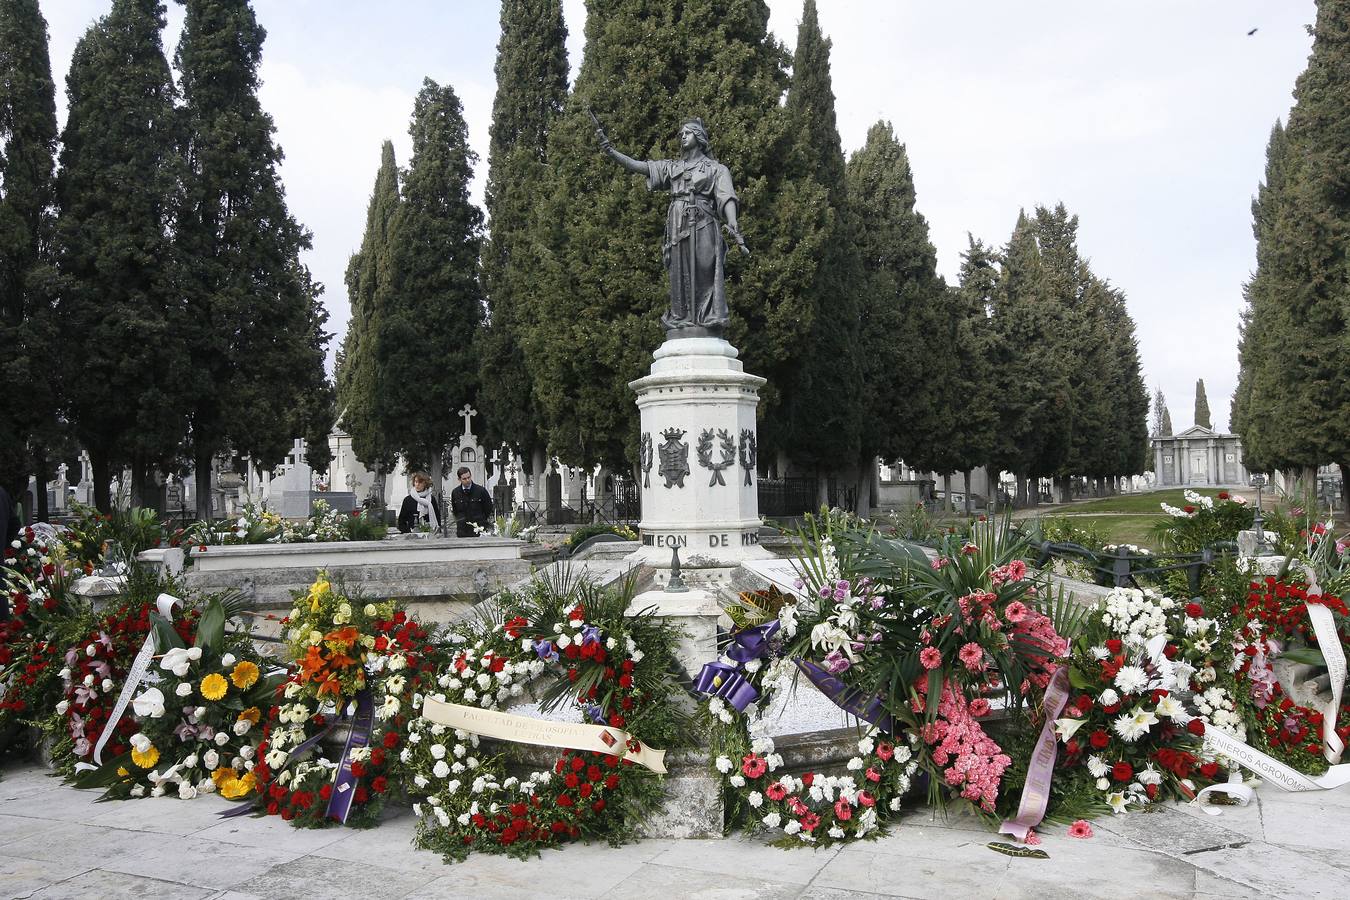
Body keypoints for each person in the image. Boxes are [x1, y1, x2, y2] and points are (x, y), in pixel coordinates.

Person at [597, 116, 748, 337]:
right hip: (678, 223)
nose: (682, 137)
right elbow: (642, 167)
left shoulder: (716, 169)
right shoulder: (673, 166)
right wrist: (611, 152)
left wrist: (732, 222)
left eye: (687, 133)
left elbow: (727, 197)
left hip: (705, 221)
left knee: (706, 268)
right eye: (681, 134)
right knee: (680, 272)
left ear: (699, 136)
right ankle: (683, 317)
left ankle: (708, 318)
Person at [450, 466, 493, 537]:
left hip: (478, 528)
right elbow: (455, 510)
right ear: (459, 479)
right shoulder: (455, 492)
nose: (467, 480)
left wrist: (481, 520)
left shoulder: (481, 491)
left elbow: (488, 508)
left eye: (468, 477)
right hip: (462, 530)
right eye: (464, 479)